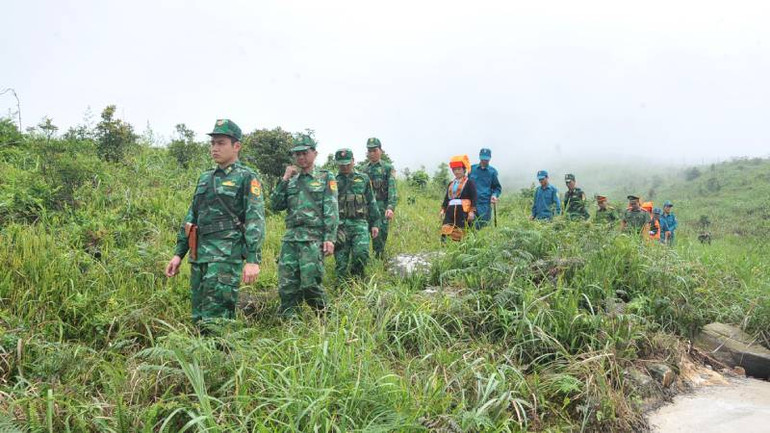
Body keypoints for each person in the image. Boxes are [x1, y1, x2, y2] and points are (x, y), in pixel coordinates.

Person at [165, 119, 265, 324]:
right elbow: (191, 217)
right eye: (212, 143)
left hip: (225, 256)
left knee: (217, 320)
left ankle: (222, 345)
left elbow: (255, 219)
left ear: (236, 146)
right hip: (199, 255)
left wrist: (253, 259)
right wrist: (178, 254)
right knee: (198, 316)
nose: (214, 148)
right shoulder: (205, 178)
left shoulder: (246, 177)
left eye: (221, 143)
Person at [270, 135, 339, 317]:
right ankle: (290, 324)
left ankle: (327, 318)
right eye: (297, 154)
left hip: (313, 238)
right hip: (291, 239)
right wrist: (284, 179)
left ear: (314, 153)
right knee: (287, 286)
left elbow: (331, 209)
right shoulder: (291, 181)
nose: (300, 157)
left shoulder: (325, 177)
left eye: (304, 153)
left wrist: (330, 238)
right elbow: (275, 205)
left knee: (310, 285)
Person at [333, 148, 381, 278]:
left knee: (361, 255)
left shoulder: (363, 179)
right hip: (340, 226)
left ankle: (357, 280)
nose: (345, 167)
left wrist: (375, 223)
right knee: (341, 263)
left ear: (353, 161)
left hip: (359, 223)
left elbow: (371, 201)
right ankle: (341, 285)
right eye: (341, 164)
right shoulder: (332, 181)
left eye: (347, 164)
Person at [362, 137, 398, 258]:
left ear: (380, 151)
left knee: (380, 239)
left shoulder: (387, 168)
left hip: (381, 208)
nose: (372, 153)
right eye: (369, 151)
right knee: (363, 239)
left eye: (375, 150)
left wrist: (390, 207)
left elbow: (392, 189)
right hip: (366, 209)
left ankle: (379, 263)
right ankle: (364, 262)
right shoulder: (363, 170)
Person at [440, 155, 477, 241]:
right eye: (454, 169)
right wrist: (443, 209)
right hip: (450, 211)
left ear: (464, 169)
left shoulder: (469, 183)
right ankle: (444, 246)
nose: (457, 172)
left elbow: (474, 197)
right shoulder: (451, 184)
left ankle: (460, 247)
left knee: (461, 231)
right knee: (446, 229)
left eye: (459, 169)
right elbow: (447, 198)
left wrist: (472, 211)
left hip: (463, 211)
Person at [469, 148, 502, 229]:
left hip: (484, 205)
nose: (484, 161)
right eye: (482, 159)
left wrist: (494, 195)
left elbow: (497, 188)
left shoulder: (492, 172)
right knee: (470, 227)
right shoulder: (472, 169)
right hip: (471, 203)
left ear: (490, 158)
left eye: (486, 159)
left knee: (483, 227)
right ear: (479, 157)